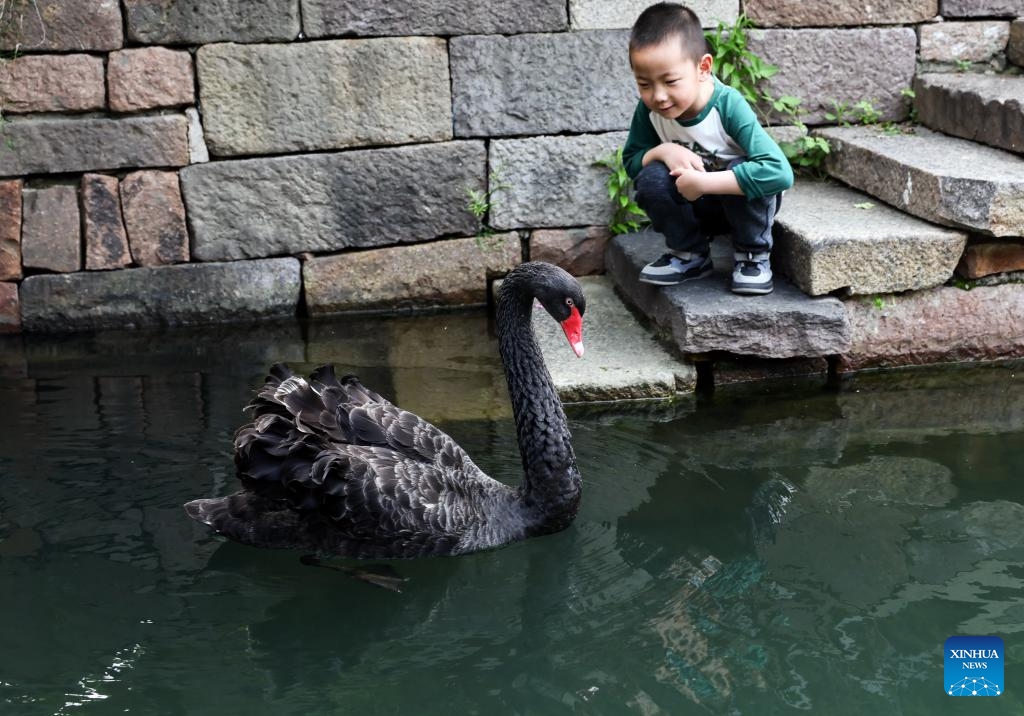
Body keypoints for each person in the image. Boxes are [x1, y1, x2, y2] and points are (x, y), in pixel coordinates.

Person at [621, 2, 793, 295]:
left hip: (742, 207)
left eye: (670, 81)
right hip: (695, 207)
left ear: (703, 68)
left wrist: (703, 182)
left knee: (742, 167)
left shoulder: (727, 105)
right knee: (651, 177)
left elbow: (779, 173)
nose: (658, 96)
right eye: (645, 84)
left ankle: (752, 254)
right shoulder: (649, 112)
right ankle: (689, 254)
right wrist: (661, 152)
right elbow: (632, 161)